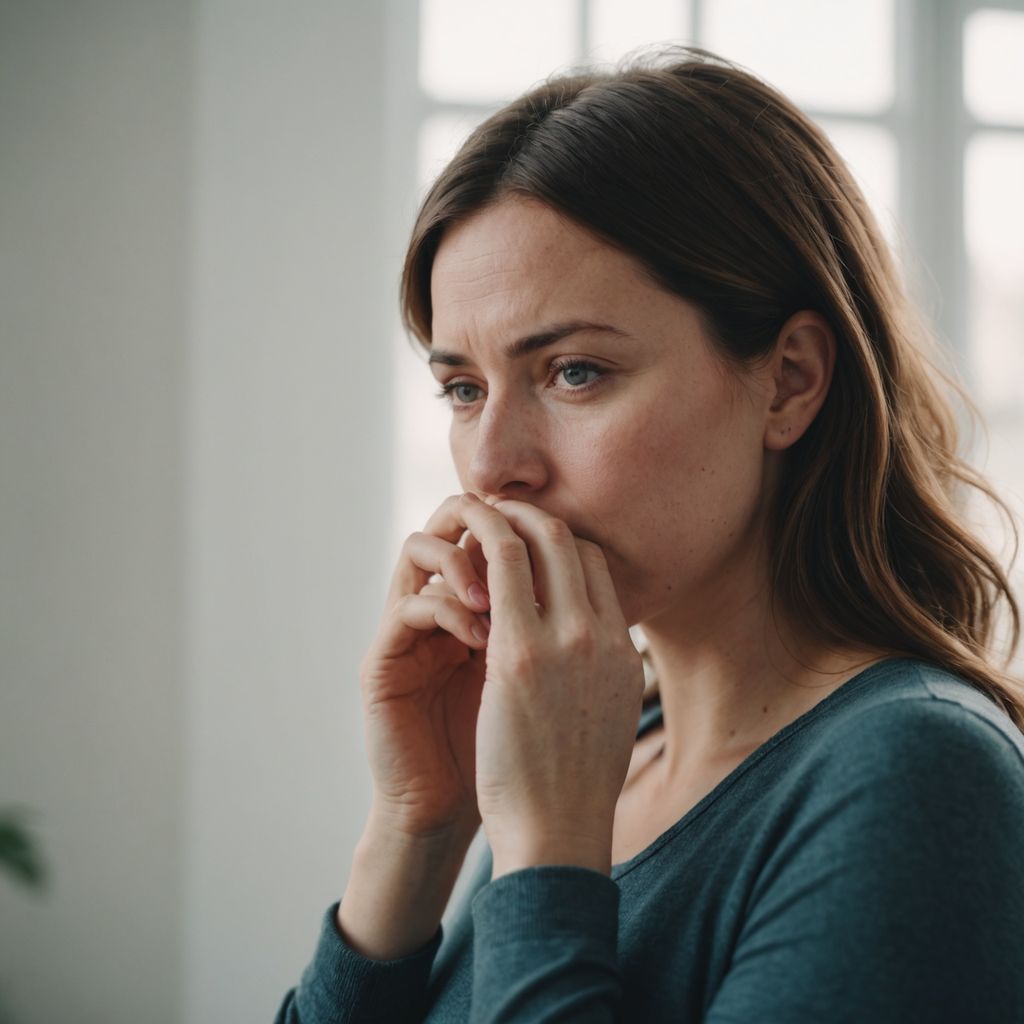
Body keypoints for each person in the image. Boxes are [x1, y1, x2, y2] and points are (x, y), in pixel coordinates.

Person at [275, 47, 1024, 1022]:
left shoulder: (916, 777)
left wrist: (546, 851)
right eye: (464, 388)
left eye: (574, 371)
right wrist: (418, 829)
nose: (495, 463)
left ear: (789, 379)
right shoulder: (592, 740)